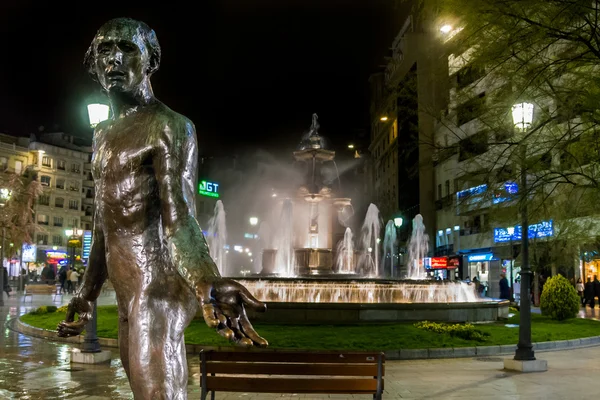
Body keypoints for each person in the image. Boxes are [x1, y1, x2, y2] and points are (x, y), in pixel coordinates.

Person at [57, 18, 267, 400]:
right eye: (105, 50)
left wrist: (206, 279)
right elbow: (104, 218)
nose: (114, 60)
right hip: (129, 291)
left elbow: (180, 214)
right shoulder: (103, 135)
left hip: (158, 288)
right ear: (93, 65)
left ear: (150, 60)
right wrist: (87, 292)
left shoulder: (170, 127)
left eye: (127, 49)